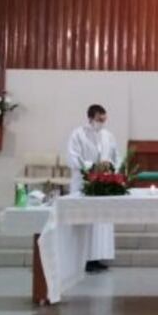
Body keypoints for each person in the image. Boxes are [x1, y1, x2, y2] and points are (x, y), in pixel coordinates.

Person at [65, 104, 119, 273]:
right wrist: (92, 166)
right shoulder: (78, 134)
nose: (102, 122)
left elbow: (117, 156)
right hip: (84, 183)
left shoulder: (108, 135)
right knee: (85, 222)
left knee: (100, 224)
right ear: (90, 118)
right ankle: (82, 259)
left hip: (103, 184)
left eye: (104, 119)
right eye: (99, 119)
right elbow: (73, 157)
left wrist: (110, 166)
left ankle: (97, 257)